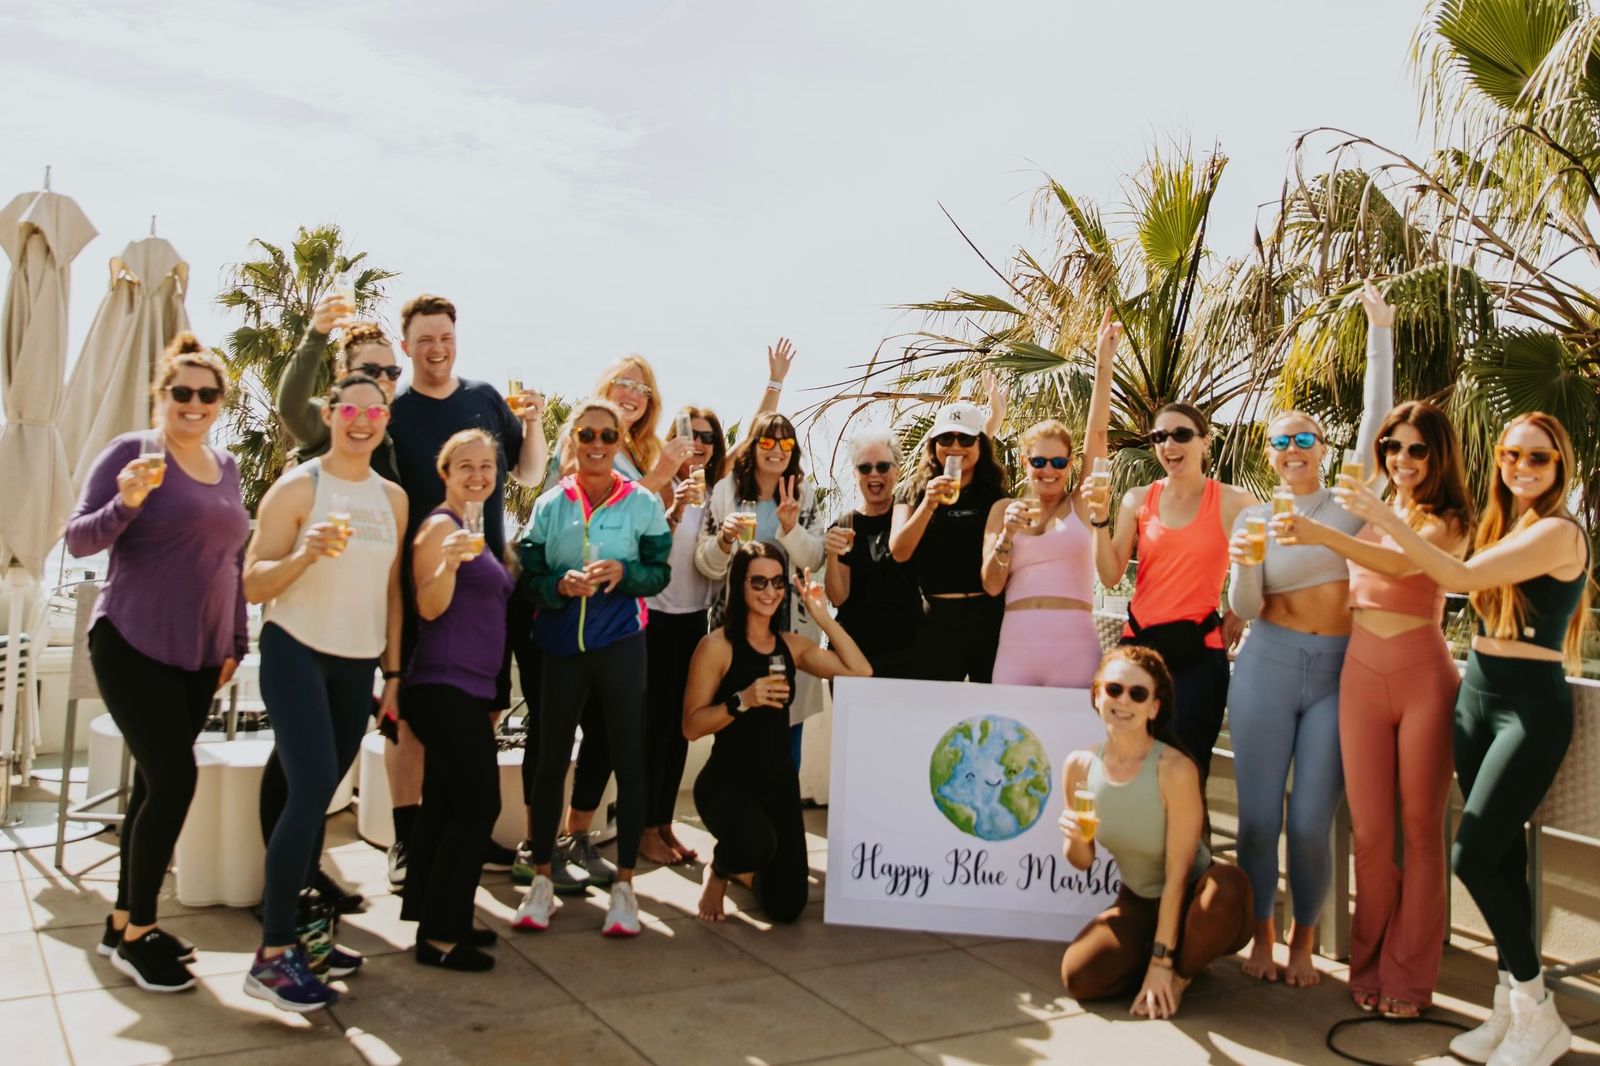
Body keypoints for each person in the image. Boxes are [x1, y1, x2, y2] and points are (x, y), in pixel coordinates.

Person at [1334, 412, 1591, 1065]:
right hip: (1477, 694)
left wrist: (1385, 517)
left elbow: (1459, 579)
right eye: (1511, 454)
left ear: (1561, 467)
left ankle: (1537, 1010)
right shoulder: (1501, 528)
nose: (1522, 467)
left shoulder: (1561, 532)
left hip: (1528, 708)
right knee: (1500, 859)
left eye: (1539, 457)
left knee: (1470, 854)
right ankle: (1511, 1007)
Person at [65, 333, 249, 994]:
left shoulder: (226, 466)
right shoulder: (132, 453)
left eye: (207, 393)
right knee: (175, 780)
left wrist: (236, 642)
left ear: (219, 402)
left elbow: (231, 562)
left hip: (200, 654)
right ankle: (139, 932)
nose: (193, 403)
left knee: (152, 785)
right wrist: (128, 503)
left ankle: (123, 921)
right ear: (162, 395)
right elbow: (80, 538)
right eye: (182, 392)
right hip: (131, 641)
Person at [1275, 399, 1471, 1015]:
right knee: (1372, 835)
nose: (1402, 459)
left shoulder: (1447, 518)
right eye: (1393, 447)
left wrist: (1331, 530)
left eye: (1416, 448)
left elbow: (1402, 561)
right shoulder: (1374, 511)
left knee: (1420, 833)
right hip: (1360, 673)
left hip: (1422, 676)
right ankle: (1368, 965)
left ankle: (1409, 979)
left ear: (1438, 454)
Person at [1224, 279, 1393, 987]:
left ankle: (1304, 938)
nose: (1293, 448)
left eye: (1303, 438)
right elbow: (1246, 605)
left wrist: (1379, 331)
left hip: (1335, 674)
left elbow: (1377, 420)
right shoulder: (1253, 519)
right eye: (1280, 442)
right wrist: (1247, 567)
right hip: (1264, 665)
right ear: (1269, 454)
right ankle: (1260, 935)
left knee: (1310, 823)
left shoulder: (1348, 504)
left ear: (1321, 448)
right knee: (1259, 821)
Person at [242, 373, 407, 1012]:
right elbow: (254, 584)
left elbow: (392, 593)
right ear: (330, 413)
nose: (361, 420)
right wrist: (305, 555)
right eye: (350, 409)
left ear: (385, 417)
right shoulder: (297, 487)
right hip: (296, 652)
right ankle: (273, 955)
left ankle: (306, 934)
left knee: (317, 798)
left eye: (374, 410)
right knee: (310, 791)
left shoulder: (392, 499)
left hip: (356, 666)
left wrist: (392, 676)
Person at [387, 293, 546, 886]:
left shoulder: (482, 399)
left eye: (445, 338)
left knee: (484, 708)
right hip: (421, 585)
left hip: (486, 590)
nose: (436, 349)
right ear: (406, 346)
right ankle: (406, 844)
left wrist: (532, 422)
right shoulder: (394, 413)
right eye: (425, 339)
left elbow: (528, 474)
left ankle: (466, 832)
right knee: (411, 723)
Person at [512, 399, 672, 937]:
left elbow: (659, 574)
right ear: (572, 441)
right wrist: (557, 585)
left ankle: (625, 885)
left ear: (620, 442)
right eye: (587, 435)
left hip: (621, 643)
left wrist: (623, 573)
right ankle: (540, 880)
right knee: (549, 762)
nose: (598, 445)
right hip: (560, 648)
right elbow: (527, 578)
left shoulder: (643, 503)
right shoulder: (550, 506)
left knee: (629, 760)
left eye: (608, 436)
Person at [265, 292, 401, 913]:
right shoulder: (322, 444)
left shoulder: (390, 465)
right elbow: (293, 403)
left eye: (389, 375)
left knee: (315, 778)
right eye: (368, 373)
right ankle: (282, 900)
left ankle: (300, 881)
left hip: (357, 637)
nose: (379, 388)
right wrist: (316, 334)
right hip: (299, 628)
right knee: (302, 775)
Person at [1058, 646, 1253, 1018]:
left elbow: (1177, 875)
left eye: (1138, 693)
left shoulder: (1174, 768)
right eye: (1114, 689)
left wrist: (1162, 968)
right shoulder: (1080, 766)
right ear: (1097, 695)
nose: (1123, 701)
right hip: (1140, 900)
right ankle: (1178, 950)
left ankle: (1179, 974)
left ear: (1155, 707)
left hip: (1198, 894)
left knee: (1224, 891)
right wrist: (1074, 838)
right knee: (1079, 976)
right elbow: (1082, 862)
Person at [684, 544, 872, 922]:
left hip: (778, 783)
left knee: (788, 907)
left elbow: (860, 671)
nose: (770, 592)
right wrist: (742, 700)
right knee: (755, 843)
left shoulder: (791, 645)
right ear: (739, 586)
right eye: (758, 582)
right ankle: (721, 868)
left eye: (776, 582)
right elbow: (691, 726)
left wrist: (823, 617)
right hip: (726, 783)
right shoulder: (716, 647)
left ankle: (745, 868)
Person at [1087, 386, 1254, 778]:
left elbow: (1270, 565)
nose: (1168, 444)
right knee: (1128, 769)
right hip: (1138, 651)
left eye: (1181, 434)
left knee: (1187, 771)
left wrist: (1240, 611)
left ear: (1204, 441)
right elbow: (1111, 577)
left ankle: (1193, 842)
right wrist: (1099, 519)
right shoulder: (1136, 499)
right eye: (1159, 437)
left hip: (1199, 652)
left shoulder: (1234, 502)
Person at [399, 430, 513, 972]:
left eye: (486, 466)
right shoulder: (440, 527)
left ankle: (434, 915)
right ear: (445, 472)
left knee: (444, 807)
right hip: (443, 688)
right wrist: (446, 563)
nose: (477, 475)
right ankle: (442, 936)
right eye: (465, 466)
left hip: (465, 690)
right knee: (477, 807)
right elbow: (428, 606)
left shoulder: (473, 530)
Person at [983, 311, 1118, 687]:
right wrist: (1007, 536)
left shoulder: (1079, 504)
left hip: (1074, 648)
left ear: (1070, 463)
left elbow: (1099, 436)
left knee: (1075, 745)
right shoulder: (1002, 510)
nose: (1049, 470)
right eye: (1039, 461)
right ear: (1026, 462)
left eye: (1058, 461)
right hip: (1015, 646)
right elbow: (992, 584)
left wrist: (1103, 364)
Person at [695, 412, 826, 768]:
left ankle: (780, 809)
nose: (776, 450)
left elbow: (816, 557)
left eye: (786, 443)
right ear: (754, 447)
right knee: (735, 718)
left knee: (787, 724)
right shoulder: (726, 492)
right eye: (767, 441)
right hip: (734, 627)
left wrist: (790, 528)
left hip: (789, 628)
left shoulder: (803, 494)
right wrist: (724, 539)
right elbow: (705, 564)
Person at [639, 405, 728, 865]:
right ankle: (643, 829)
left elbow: (754, 441)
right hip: (654, 619)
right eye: (690, 434)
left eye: (708, 437)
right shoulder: (660, 486)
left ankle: (663, 824)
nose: (699, 443)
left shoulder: (718, 493)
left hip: (696, 620)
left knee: (678, 730)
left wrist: (774, 384)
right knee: (653, 728)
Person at [889, 401, 1010, 683]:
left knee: (991, 715)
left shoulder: (994, 494)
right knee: (931, 718)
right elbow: (899, 552)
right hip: (936, 619)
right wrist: (928, 504)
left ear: (980, 444)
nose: (955, 446)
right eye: (946, 438)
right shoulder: (912, 491)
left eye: (966, 438)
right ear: (933, 444)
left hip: (988, 619)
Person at [824, 429, 922, 679]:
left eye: (882, 466)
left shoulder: (911, 516)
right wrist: (832, 556)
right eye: (865, 468)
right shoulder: (843, 525)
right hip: (855, 657)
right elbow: (837, 598)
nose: (874, 474)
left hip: (909, 655)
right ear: (856, 474)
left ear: (896, 471)